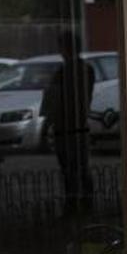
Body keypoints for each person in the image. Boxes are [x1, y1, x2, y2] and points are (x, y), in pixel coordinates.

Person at [41, 29, 94, 219]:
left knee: (70, 169)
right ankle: (86, 203)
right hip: (78, 126)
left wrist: (47, 126)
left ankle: (73, 204)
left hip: (67, 129)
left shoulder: (64, 73)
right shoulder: (86, 70)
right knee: (80, 168)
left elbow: (55, 102)